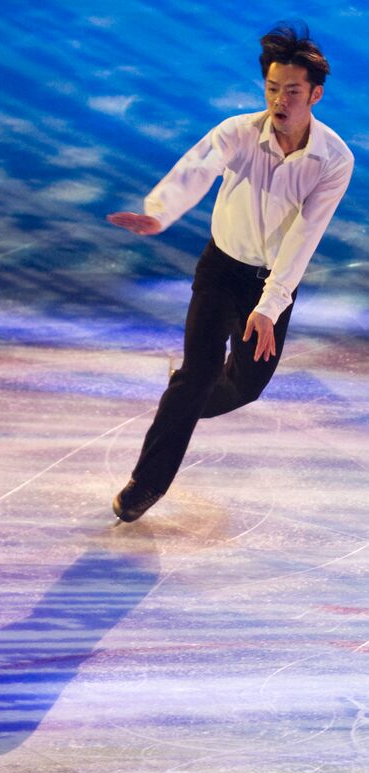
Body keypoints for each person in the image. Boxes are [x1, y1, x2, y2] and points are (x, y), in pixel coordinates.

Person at [107, 22, 354, 522]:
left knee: (246, 384)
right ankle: (145, 485)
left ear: (315, 95)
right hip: (220, 269)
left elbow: (305, 237)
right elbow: (196, 168)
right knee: (198, 373)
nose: (279, 101)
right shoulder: (237, 133)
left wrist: (268, 306)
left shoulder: (334, 160)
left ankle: (182, 395)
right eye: (271, 89)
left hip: (273, 281)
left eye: (292, 92)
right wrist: (160, 212)